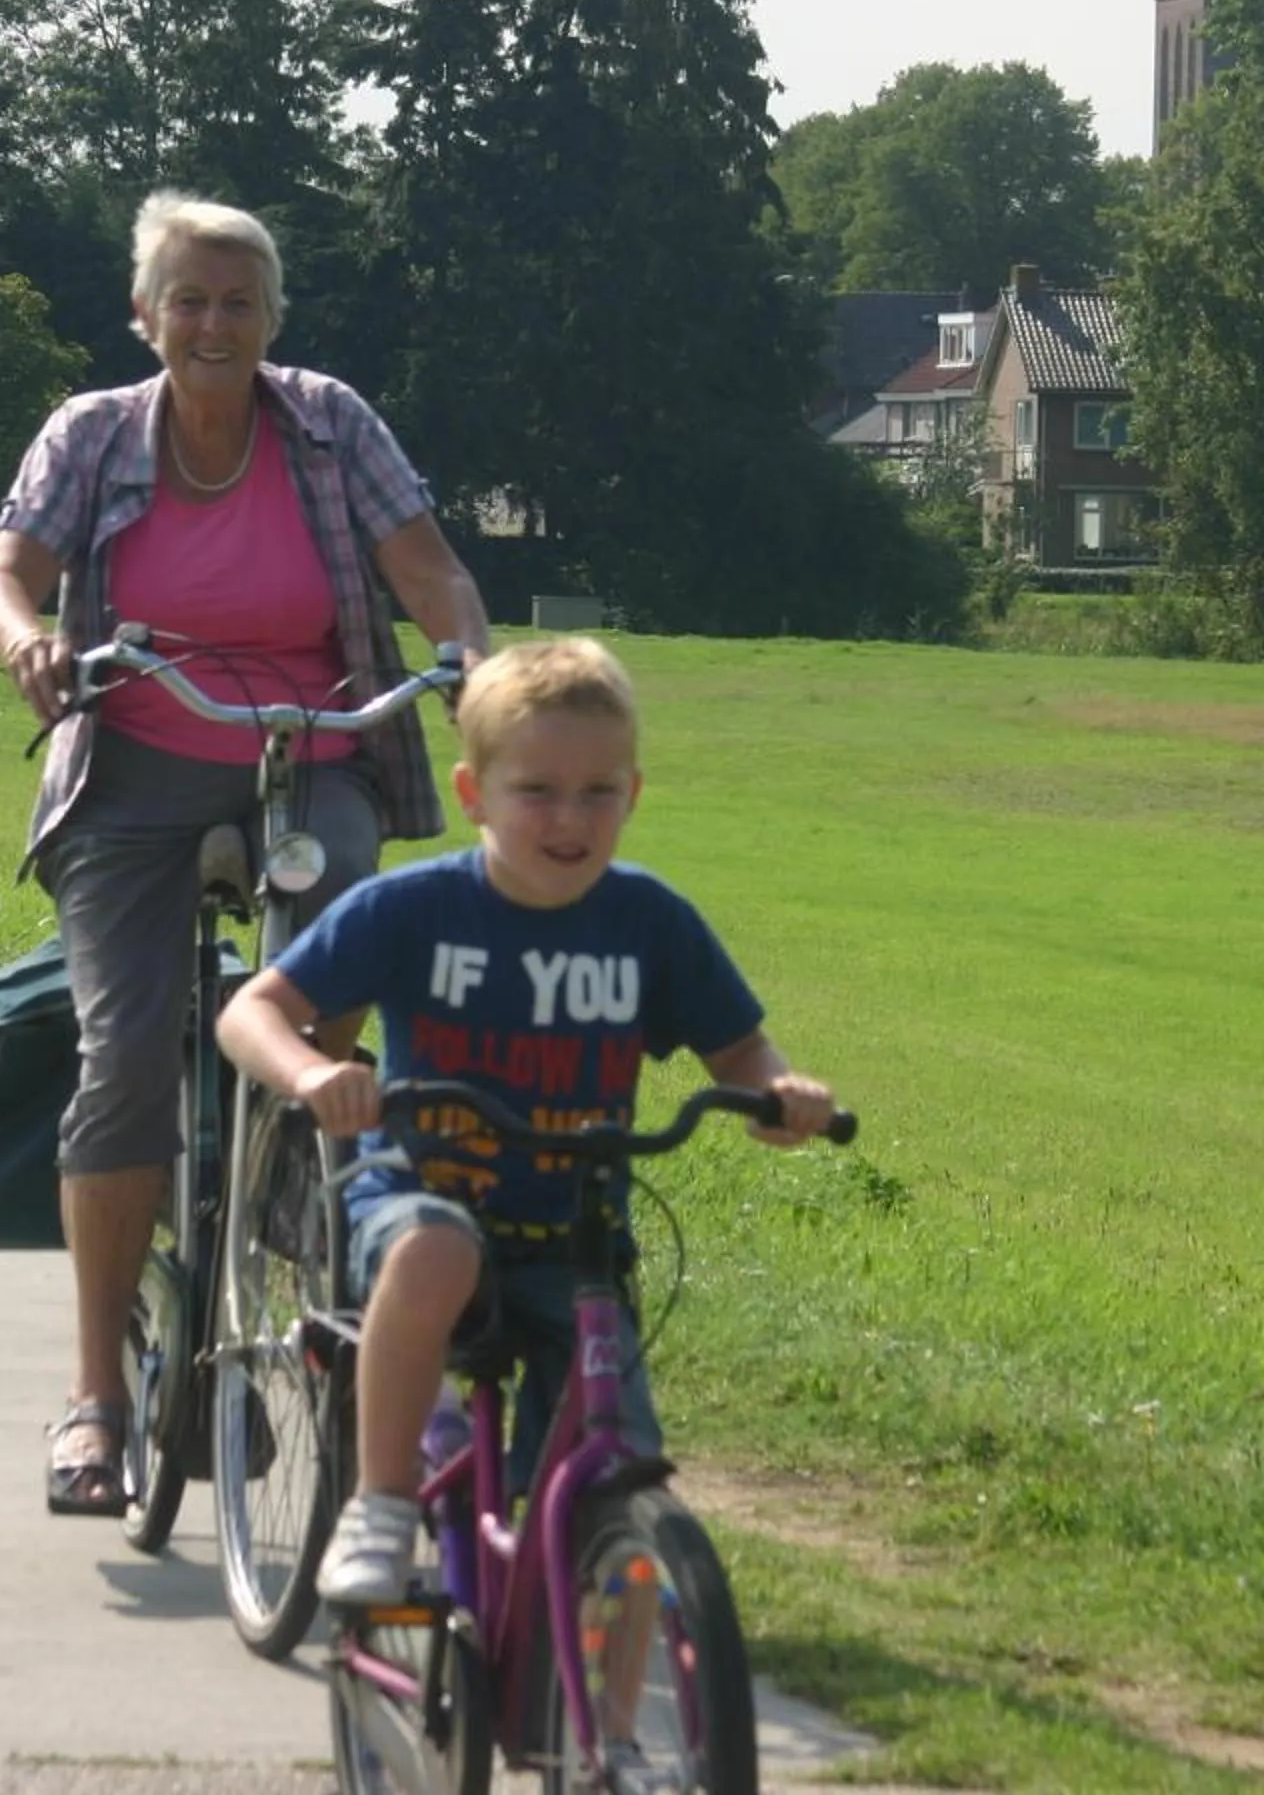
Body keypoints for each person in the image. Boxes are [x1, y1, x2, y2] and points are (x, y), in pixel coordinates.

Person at [0, 190, 494, 1516]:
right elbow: (7, 570)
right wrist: (29, 635)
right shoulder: (91, 435)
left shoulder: (330, 423)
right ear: (145, 317)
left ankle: (294, 1208)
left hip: (315, 749)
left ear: (272, 318)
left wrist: (477, 667)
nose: (214, 324)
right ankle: (97, 1394)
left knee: (321, 1031)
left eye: (238, 301)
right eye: (188, 301)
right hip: (136, 758)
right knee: (127, 1058)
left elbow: (429, 572)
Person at [214, 637, 840, 1614]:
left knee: (618, 1494)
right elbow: (248, 1010)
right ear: (473, 792)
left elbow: (740, 1053)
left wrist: (781, 1093)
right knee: (437, 1253)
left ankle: (618, 1750)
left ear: (633, 793)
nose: (569, 817)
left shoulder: (649, 922)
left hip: (574, 1245)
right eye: (537, 789)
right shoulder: (415, 908)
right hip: (418, 1202)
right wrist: (317, 1071)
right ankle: (379, 1505)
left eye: (598, 791)